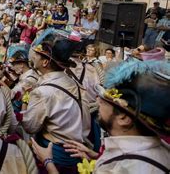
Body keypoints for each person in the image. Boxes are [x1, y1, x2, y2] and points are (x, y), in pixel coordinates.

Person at [32, 60, 170, 174]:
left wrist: (48, 161)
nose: (97, 101)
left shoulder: (123, 167)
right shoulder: (161, 150)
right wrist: (96, 156)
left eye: (105, 102)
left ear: (123, 118)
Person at [22, 29, 91, 173]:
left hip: (52, 157)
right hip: (77, 157)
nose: (33, 56)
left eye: (38, 55)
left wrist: (25, 102)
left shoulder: (42, 92)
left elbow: (30, 126)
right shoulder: (76, 85)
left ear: (46, 62)